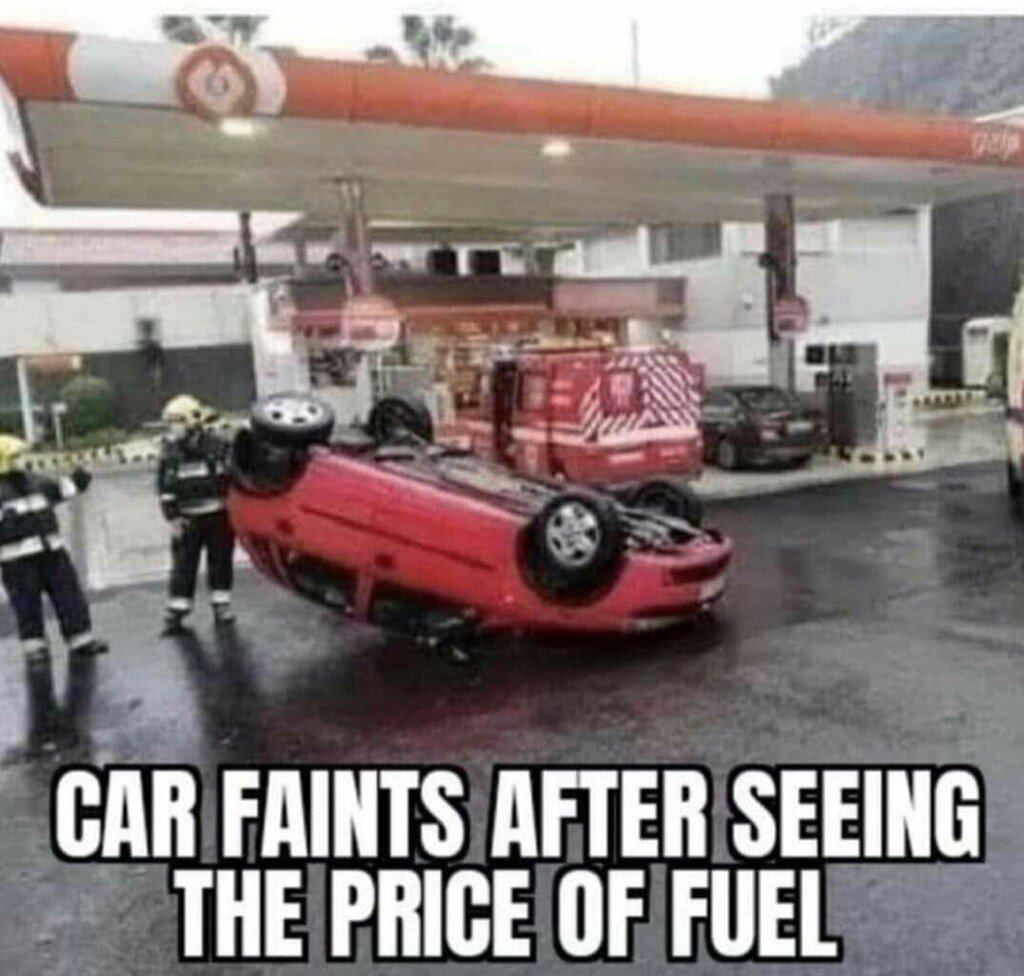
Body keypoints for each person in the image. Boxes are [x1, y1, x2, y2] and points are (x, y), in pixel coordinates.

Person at [0, 435, 108, 665]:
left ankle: (81, 640)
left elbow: (62, 489)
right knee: (26, 605)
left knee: (69, 596)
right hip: (17, 561)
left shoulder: (33, 480)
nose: (20, 460)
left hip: (52, 552)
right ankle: (35, 649)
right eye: (14, 456)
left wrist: (81, 477)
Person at [157, 394, 235, 634]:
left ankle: (221, 604)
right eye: (170, 422)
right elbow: (165, 488)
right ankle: (178, 609)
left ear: (192, 421)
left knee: (220, 561)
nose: (173, 428)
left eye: (177, 421)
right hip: (187, 519)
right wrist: (172, 517)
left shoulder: (218, 446)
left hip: (218, 516)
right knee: (183, 565)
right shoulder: (170, 452)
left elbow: (232, 476)